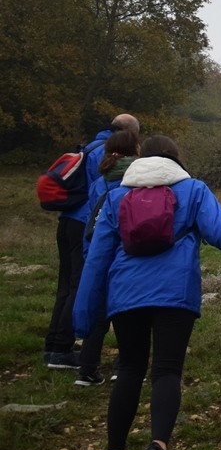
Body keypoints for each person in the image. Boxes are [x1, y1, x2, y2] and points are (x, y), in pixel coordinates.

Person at [74, 135, 221, 450]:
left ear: (141, 160)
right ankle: (158, 447)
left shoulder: (117, 196)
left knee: (131, 368)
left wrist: (85, 317)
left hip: (126, 295)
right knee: (167, 370)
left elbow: (97, 258)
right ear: (176, 160)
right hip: (174, 294)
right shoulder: (193, 190)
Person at [46, 113, 140, 370]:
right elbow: (108, 194)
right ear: (129, 134)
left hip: (68, 221)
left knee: (66, 284)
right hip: (86, 226)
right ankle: (64, 348)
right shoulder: (111, 154)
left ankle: (54, 347)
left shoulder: (89, 147)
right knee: (80, 284)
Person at [74, 129, 141, 386]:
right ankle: (123, 366)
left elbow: (91, 215)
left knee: (99, 312)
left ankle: (87, 370)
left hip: (97, 247)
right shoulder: (137, 174)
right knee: (129, 309)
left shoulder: (100, 179)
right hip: (125, 248)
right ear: (135, 149)